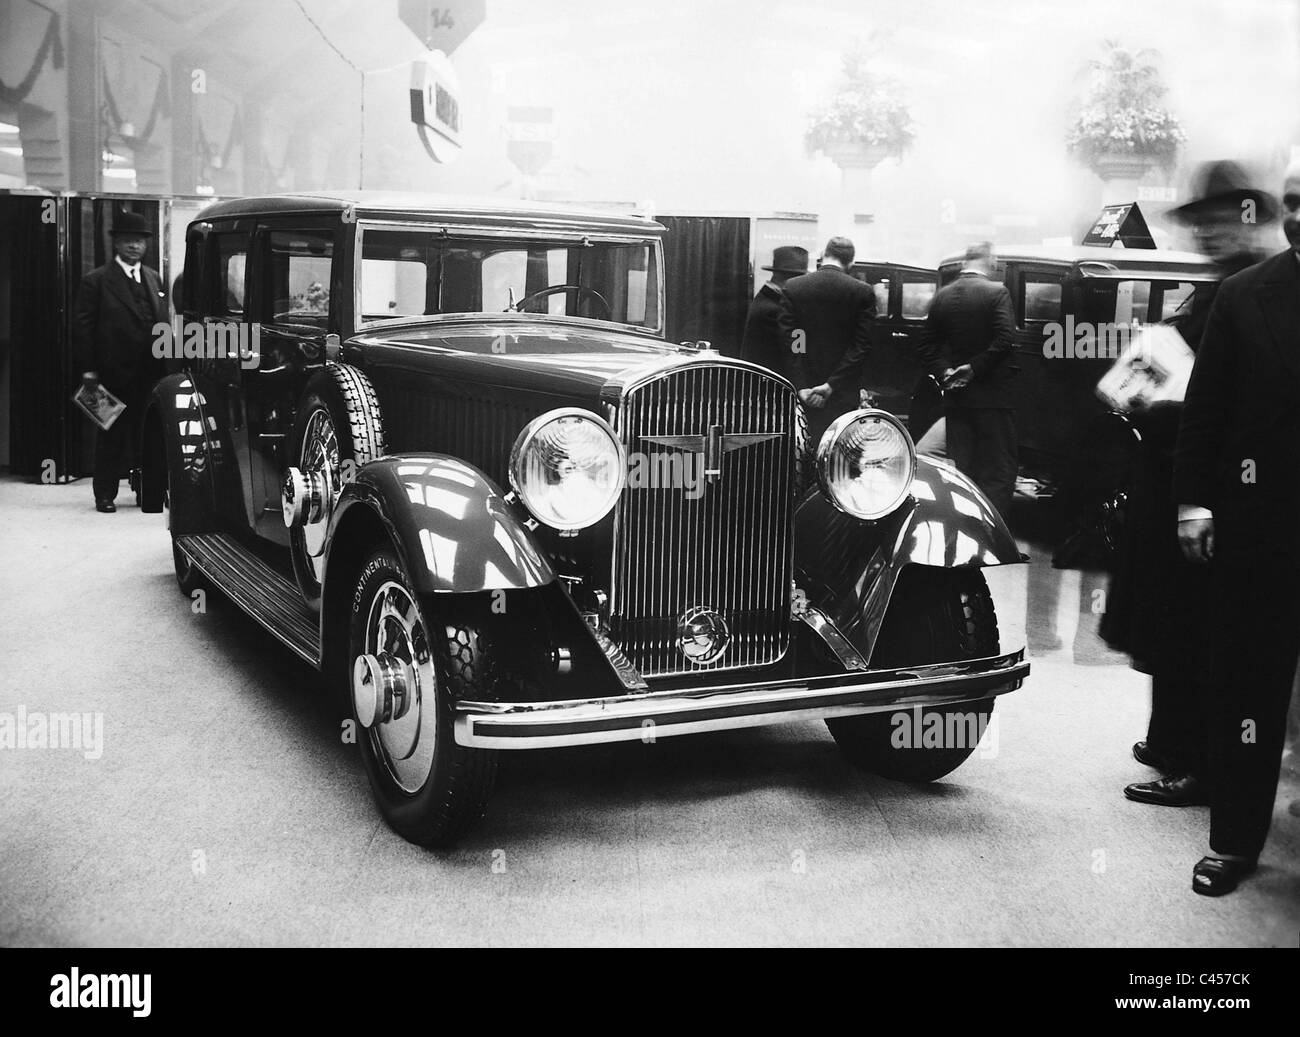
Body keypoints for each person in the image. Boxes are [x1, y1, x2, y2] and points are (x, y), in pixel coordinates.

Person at [1105, 161, 1276, 812]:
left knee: (1194, 631)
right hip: (1175, 482)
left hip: (1205, 493)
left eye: (1218, 218)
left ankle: (1195, 761)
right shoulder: (1221, 288)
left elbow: (1230, 405)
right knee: (1171, 619)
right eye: (1198, 220)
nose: (1206, 231)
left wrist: (1156, 400)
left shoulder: (1249, 293)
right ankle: (1168, 738)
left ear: (1248, 218)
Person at [1171, 163, 1300, 896]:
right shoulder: (1245, 296)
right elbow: (1205, 410)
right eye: (1293, 202)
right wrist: (1194, 502)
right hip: (1263, 526)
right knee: (1249, 685)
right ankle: (1234, 840)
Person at [73, 211, 168, 513]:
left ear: (146, 245)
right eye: (127, 240)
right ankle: (104, 494)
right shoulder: (96, 281)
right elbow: (83, 329)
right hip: (112, 372)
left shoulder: (154, 278)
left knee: (147, 435)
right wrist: (88, 369)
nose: (134, 246)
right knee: (111, 435)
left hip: (149, 372)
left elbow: (162, 323)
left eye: (139, 241)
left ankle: (144, 491)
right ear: (116, 243)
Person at [916, 241, 1017, 516]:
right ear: (991, 260)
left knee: (965, 468)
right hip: (992, 399)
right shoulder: (997, 292)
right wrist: (973, 368)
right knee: (998, 470)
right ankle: (993, 534)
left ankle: (967, 527)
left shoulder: (943, 296)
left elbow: (926, 345)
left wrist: (945, 371)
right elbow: (1005, 339)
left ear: (964, 262)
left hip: (956, 400)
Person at [776, 236, 876, 443]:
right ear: (851, 263)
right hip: (842, 394)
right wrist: (831, 385)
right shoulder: (862, 292)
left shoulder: (794, 287)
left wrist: (802, 385)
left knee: (802, 449)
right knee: (840, 455)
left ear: (823, 255)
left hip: (805, 394)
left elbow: (795, 340)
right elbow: (860, 347)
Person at [740, 245, 809, 379]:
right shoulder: (774, 309)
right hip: (768, 387)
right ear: (790, 279)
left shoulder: (768, 300)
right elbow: (797, 349)